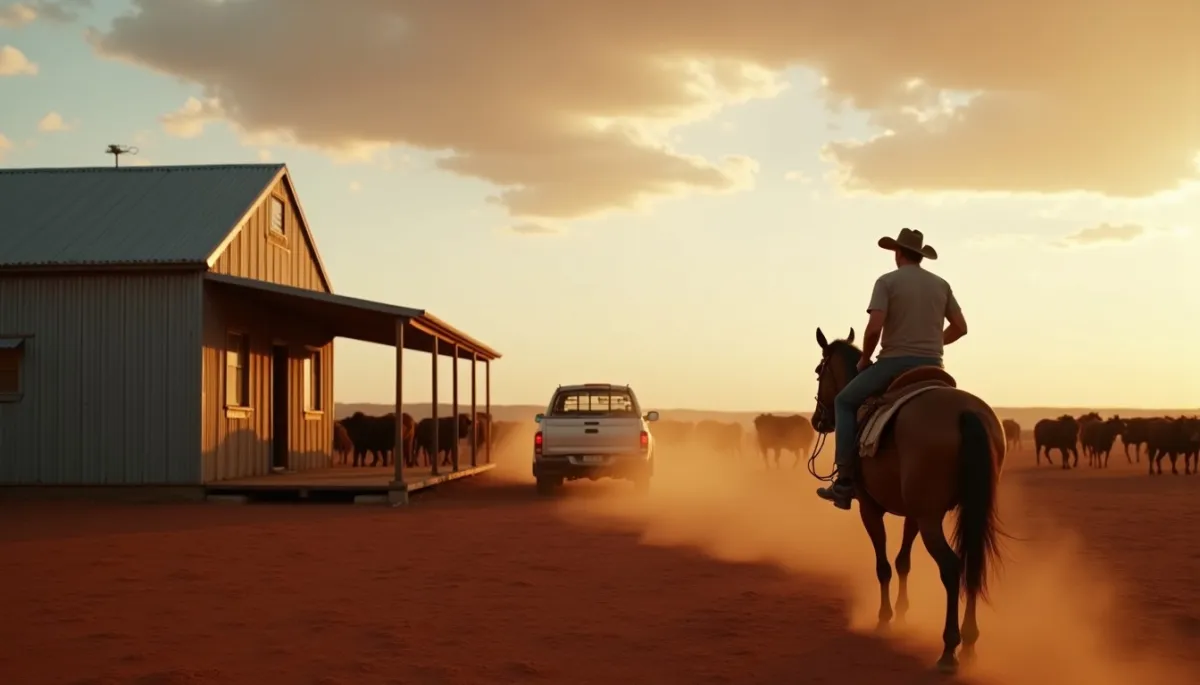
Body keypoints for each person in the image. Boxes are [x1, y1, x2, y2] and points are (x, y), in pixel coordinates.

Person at [816, 228, 970, 509]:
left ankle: (844, 481)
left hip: (894, 363)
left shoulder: (887, 282)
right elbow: (961, 327)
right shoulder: (941, 285)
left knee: (844, 402)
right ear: (920, 256)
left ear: (898, 253)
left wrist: (864, 360)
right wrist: (933, 343)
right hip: (934, 365)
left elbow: (874, 328)